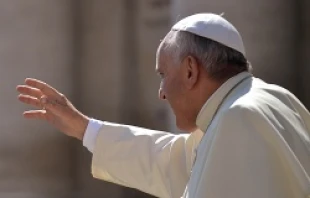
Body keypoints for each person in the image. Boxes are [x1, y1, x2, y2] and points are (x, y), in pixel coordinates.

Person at [16, 13, 310, 198]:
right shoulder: (271, 99)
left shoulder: (238, 118)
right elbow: (171, 161)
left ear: (191, 71)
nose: (161, 93)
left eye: (163, 75)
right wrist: (85, 129)